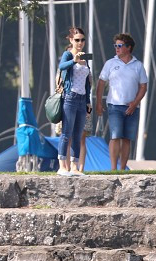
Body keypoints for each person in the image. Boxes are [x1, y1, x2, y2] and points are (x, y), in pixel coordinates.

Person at [95, 33, 148, 171]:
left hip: (132, 107)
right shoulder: (110, 63)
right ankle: (113, 169)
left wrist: (135, 103)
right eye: (115, 46)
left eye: (120, 46)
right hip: (114, 106)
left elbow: (143, 86)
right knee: (115, 136)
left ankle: (123, 168)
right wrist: (99, 103)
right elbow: (101, 83)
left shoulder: (138, 65)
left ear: (128, 48)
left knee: (126, 138)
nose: (117, 48)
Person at [56, 27, 93, 176]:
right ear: (71, 40)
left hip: (82, 100)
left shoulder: (85, 59)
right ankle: (61, 166)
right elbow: (61, 66)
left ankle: (74, 166)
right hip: (70, 97)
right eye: (77, 40)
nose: (80, 42)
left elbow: (87, 82)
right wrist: (73, 60)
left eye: (83, 40)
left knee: (78, 134)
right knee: (66, 133)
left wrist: (88, 100)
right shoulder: (68, 54)